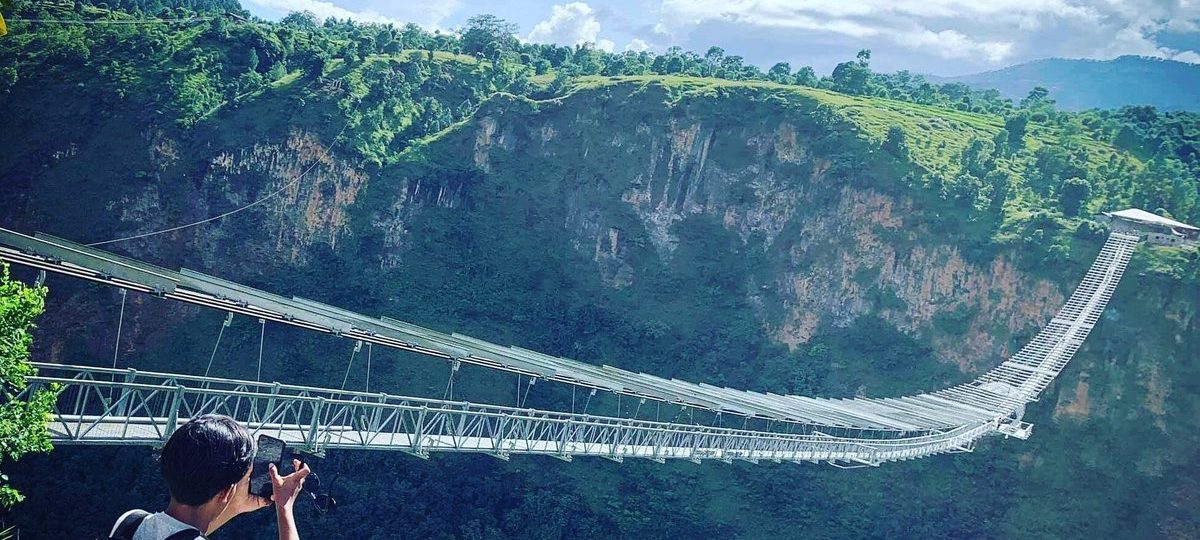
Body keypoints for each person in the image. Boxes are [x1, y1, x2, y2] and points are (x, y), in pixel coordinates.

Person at [109, 414, 311, 540]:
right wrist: (284, 507)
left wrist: (236, 505)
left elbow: (183, 533)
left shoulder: (130, 522)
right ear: (226, 491)